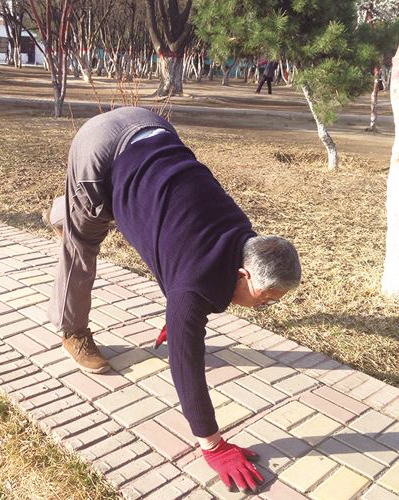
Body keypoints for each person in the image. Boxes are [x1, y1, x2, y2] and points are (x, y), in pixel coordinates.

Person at [43, 107, 302, 493]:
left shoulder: (242, 236)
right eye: (265, 299)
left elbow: (178, 249)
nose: (266, 308)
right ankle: (71, 329)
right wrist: (212, 446)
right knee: (82, 245)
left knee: (112, 210)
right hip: (101, 147)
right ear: (245, 273)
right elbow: (186, 364)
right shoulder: (193, 289)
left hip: (151, 128)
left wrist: (178, 312)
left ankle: (75, 204)